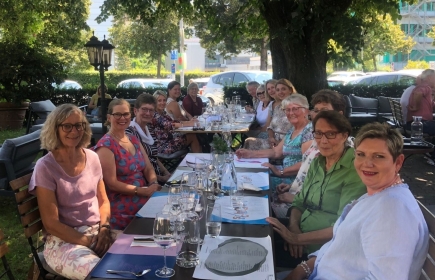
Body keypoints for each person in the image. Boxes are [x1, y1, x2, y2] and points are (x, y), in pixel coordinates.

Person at [283, 123, 429, 280]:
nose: (367, 163)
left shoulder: (392, 210)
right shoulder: (376, 195)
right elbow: (336, 245)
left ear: (398, 162)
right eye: (360, 154)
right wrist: (302, 269)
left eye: (379, 156)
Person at [266, 110, 367, 268]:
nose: (323, 140)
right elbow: (299, 201)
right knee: (256, 229)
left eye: (331, 134)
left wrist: (297, 239)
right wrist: (294, 229)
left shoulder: (354, 170)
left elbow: (344, 226)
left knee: (262, 256)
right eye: (318, 134)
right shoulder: (318, 162)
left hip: (322, 250)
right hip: (300, 230)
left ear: (344, 135)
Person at [29, 104, 113, 279]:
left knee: (138, 254)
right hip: (63, 241)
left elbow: (103, 201)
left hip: (97, 232)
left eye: (79, 125)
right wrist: (88, 242)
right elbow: (52, 224)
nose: (74, 131)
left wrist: (104, 228)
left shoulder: (92, 157)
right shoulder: (45, 167)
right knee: (102, 275)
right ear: (55, 129)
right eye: (67, 126)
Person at [272, 89, 349, 218]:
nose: (319, 115)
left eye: (324, 110)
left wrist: (294, 198)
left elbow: (332, 198)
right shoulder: (318, 141)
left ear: (339, 114)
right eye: (316, 111)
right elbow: (312, 178)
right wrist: (292, 186)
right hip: (297, 200)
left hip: (308, 213)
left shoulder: (341, 149)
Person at [94, 99, 162, 230]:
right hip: (123, 202)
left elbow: (148, 167)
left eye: (126, 114)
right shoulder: (106, 146)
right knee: (168, 214)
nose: (122, 118)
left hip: (144, 193)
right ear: (109, 117)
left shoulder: (133, 139)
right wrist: (140, 191)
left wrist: (153, 183)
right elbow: (112, 183)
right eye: (117, 114)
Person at [236, 94, 313, 191]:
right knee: (245, 179)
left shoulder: (309, 131)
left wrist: (279, 172)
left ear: (306, 110)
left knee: (251, 185)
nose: (291, 113)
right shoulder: (293, 129)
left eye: (295, 109)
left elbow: (306, 163)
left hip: (296, 181)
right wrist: (250, 153)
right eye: (287, 110)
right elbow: (276, 152)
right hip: (285, 175)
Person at [126, 93, 171, 184]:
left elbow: (154, 157)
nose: (148, 113)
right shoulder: (130, 132)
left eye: (151, 110)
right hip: (145, 182)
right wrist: (161, 179)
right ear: (135, 111)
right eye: (144, 109)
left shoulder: (149, 129)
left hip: (157, 178)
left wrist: (166, 173)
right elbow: (136, 166)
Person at [244, 79, 295, 150]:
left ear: (290, 90)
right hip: (273, 137)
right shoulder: (275, 105)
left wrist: (279, 142)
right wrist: (271, 138)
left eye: (273, 88)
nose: (271, 91)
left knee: (249, 142)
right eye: (268, 89)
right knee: (248, 141)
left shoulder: (295, 105)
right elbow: (270, 126)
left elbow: (296, 129)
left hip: (287, 141)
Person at [407, 69, 435, 135]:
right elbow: (418, 93)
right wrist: (417, 106)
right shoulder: (426, 87)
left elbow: (429, 104)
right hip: (419, 124)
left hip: (413, 123)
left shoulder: (421, 86)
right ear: (429, 78)